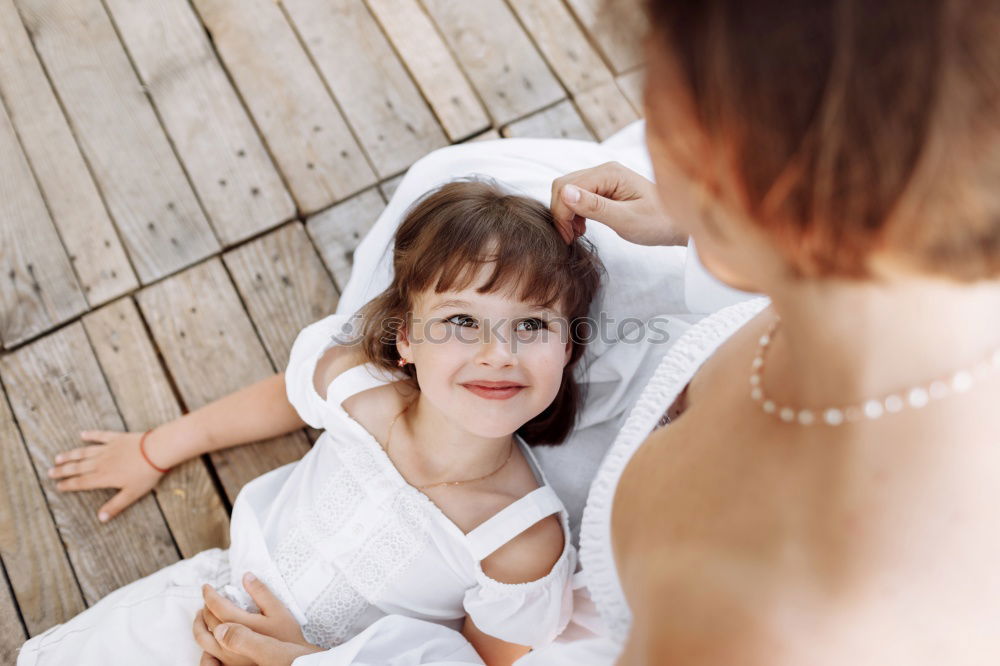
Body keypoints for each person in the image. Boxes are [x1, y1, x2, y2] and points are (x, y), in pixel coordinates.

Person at [177, 0, 1000, 662]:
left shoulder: (773, 618)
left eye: (665, 93)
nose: (646, 117)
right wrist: (701, 227)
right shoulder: (894, 301)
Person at [19, 179, 604, 666]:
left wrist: (305, 659)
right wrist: (156, 448)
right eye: (460, 320)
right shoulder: (361, 390)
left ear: (568, 350)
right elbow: (285, 397)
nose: (498, 352)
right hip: (207, 605)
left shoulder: (521, 542)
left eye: (531, 326)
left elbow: (479, 663)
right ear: (404, 338)